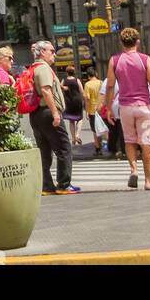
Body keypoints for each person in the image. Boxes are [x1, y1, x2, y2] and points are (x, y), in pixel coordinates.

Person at [104, 26, 150, 192]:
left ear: (121, 43)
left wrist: (108, 107)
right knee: (147, 144)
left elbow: (110, 85)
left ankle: (134, 170)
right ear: (137, 41)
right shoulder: (145, 59)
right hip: (144, 106)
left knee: (129, 141)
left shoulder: (114, 61)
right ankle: (148, 181)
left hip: (125, 107)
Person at [30, 40, 79, 195]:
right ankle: (64, 184)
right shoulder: (43, 68)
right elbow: (46, 91)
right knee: (64, 148)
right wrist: (55, 113)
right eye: (51, 51)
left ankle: (46, 186)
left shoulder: (33, 68)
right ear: (42, 52)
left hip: (36, 113)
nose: (54, 54)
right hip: (47, 112)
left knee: (44, 151)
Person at [61, 66, 85, 146]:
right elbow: (82, 91)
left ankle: (73, 138)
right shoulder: (77, 80)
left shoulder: (64, 80)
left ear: (67, 72)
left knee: (71, 120)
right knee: (80, 118)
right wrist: (83, 100)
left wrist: (64, 88)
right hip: (77, 100)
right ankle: (77, 135)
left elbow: (59, 87)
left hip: (69, 102)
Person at [83, 68, 102, 144]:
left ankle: (97, 148)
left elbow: (87, 99)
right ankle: (106, 144)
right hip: (101, 109)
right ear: (95, 74)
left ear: (88, 76)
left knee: (94, 130)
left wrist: (86, 111)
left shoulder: (87, 84)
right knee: (103, 127)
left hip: (92, 111)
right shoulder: (101, 82)